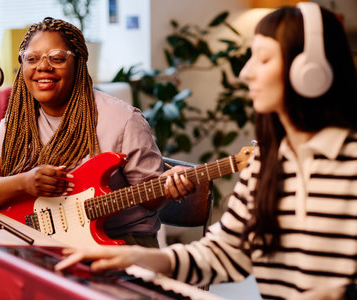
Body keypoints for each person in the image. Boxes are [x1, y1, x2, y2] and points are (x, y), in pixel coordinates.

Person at [55, 4, 357, 299]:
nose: (246, 73)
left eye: (263, 60)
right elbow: (224, 253)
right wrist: (140, 258)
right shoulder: (265, 165)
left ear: (310, 72)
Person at [0, 17, 167, 248]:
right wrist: (24, 182)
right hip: (46, 242)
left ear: (78, 64)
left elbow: (152, 200)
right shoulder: (19, 120)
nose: (43, 66)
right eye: (32, 58)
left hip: (122, 244)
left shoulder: (123, 120)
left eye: (57, 58)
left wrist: (168, 187)